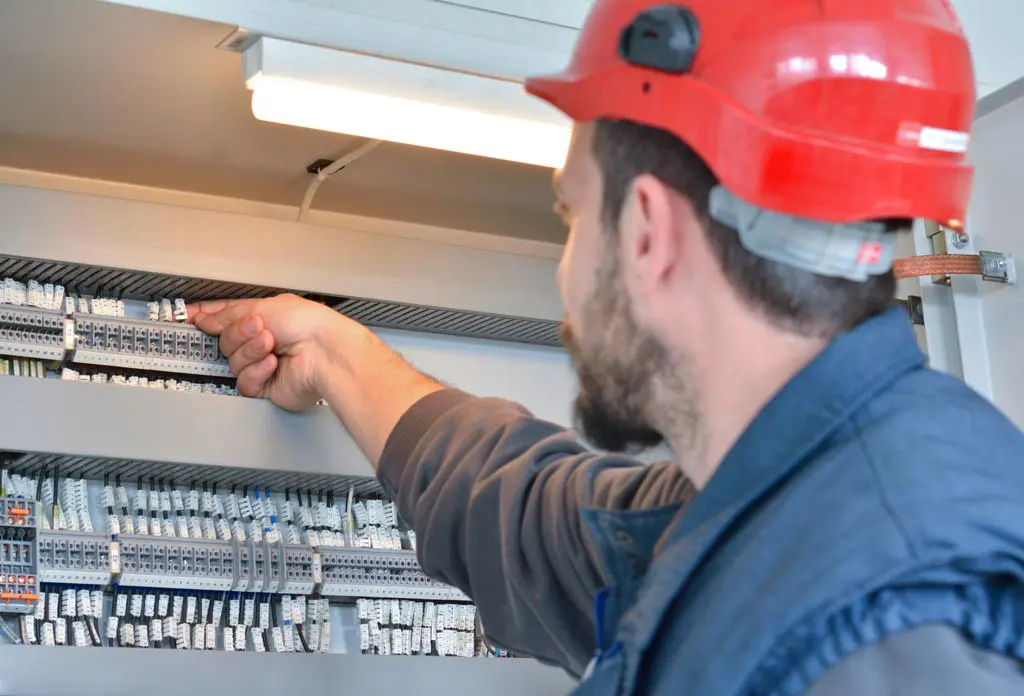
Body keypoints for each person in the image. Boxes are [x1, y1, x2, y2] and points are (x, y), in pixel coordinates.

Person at [191, 0, 1024, 693]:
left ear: (649, 234)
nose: (568, 263)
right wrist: (335, 353)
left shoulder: (897, 625)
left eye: (571, 214)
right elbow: (534, 518)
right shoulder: (772, 507)